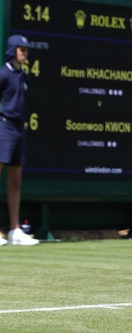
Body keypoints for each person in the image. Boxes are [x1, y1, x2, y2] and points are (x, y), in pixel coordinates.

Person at [0, 35, 39, 246]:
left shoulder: (24, 76)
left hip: (19, 129)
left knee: (15, 181)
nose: (25, 52)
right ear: (13, 50)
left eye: (26, 49)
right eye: (21, 48)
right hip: (4, 126)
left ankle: (15, 230)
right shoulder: (3, 73)